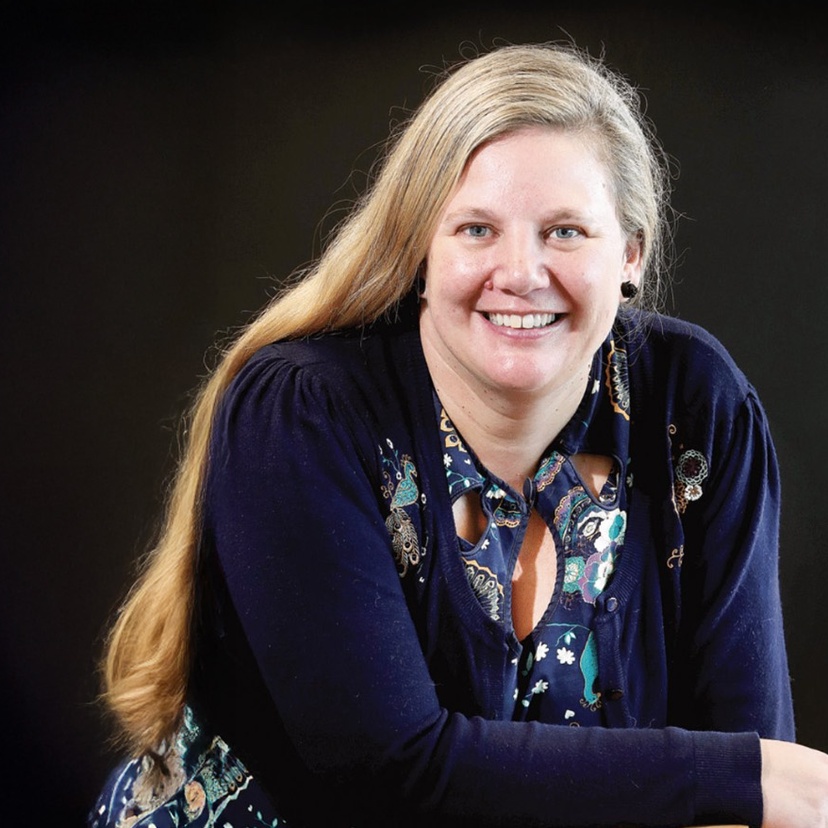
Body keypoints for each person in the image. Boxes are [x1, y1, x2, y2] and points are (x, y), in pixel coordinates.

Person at [89, 42, 828, 828]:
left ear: (632, 256)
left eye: (566, 232)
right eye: (476, 229)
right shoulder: (302, 411)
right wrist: (751, 776)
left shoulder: (696, 404)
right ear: (420, 249)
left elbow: (750, 782)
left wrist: (752, 781)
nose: (520, 271)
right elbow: (387, 778)